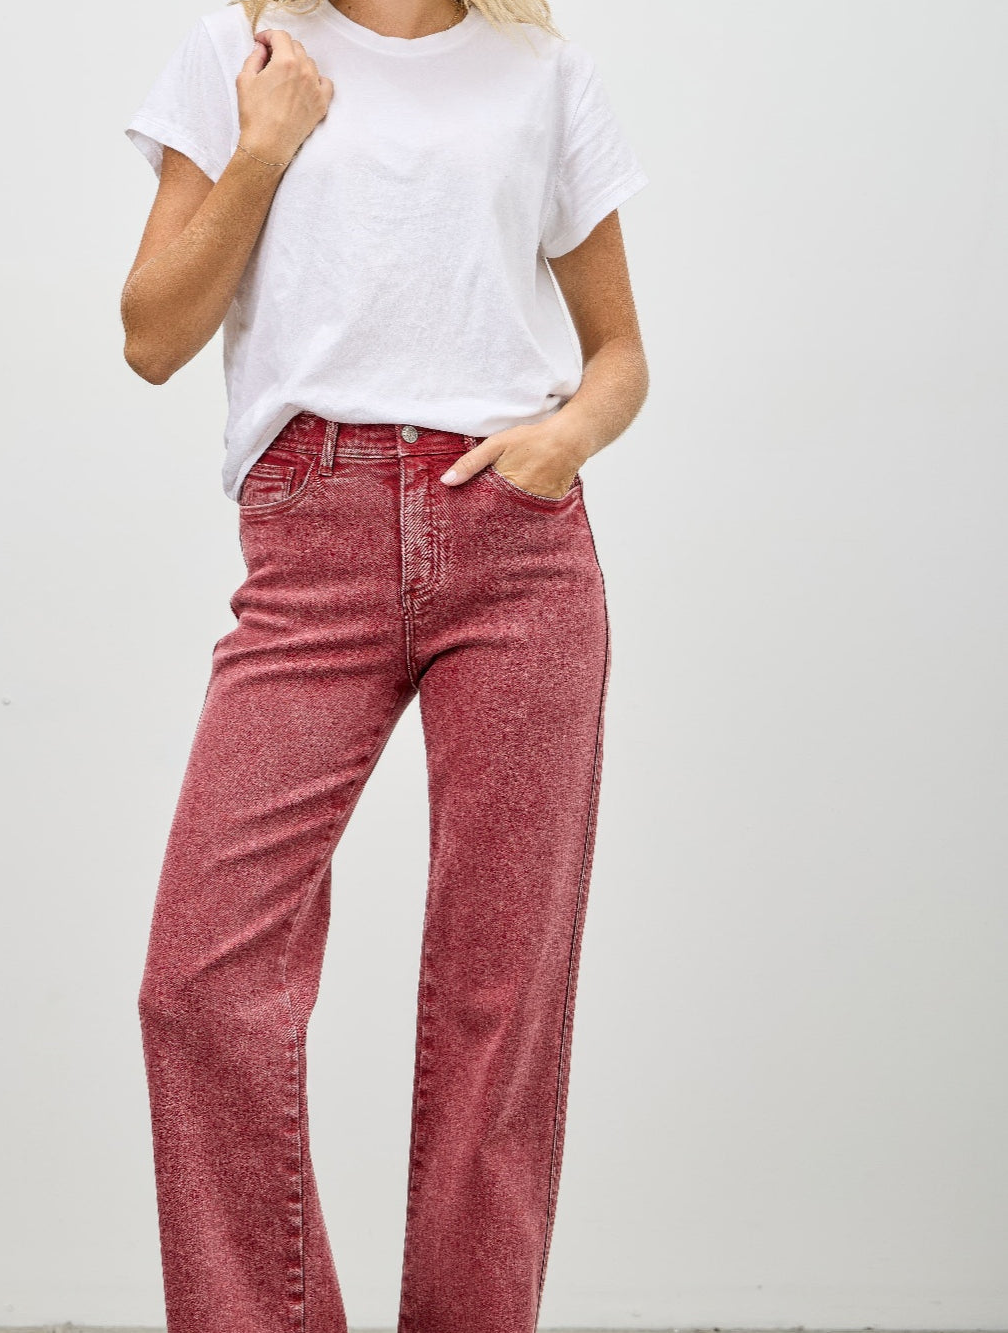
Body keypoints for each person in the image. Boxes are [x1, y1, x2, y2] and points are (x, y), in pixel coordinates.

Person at [120, 0, 649, 1329]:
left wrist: (557, 444)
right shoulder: (241, 55)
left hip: (514, 540)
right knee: (196, 980)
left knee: (498, 996)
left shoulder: (543, 74)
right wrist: (262, 149)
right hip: (313, 533)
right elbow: (149, 335)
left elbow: (618, 356)